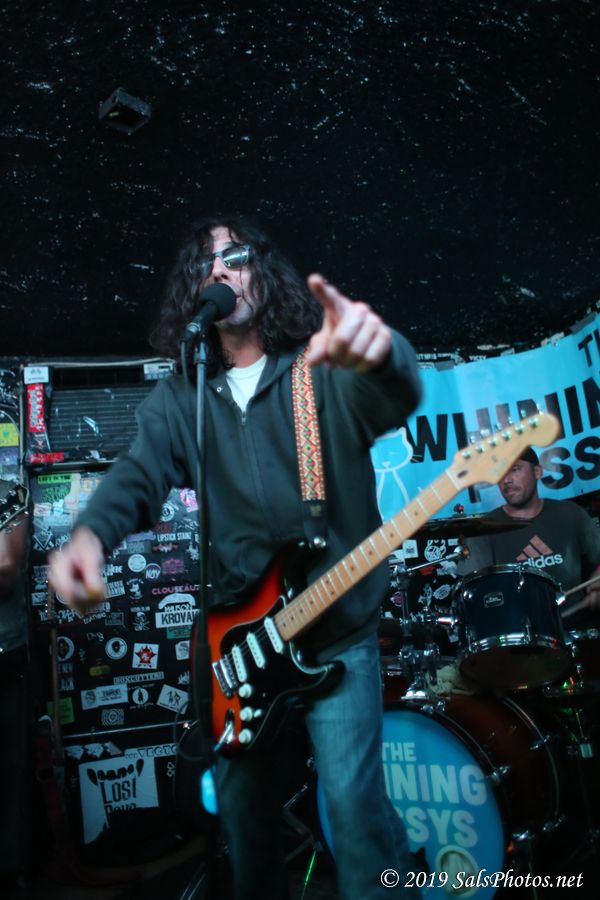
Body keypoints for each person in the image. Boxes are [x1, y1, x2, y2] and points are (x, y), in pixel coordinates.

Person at [49, 215, 423, 899]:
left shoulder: (319, 367)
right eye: (206, 264)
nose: (221, 270)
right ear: (193, 292)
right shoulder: (181, 397)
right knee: (246, 835)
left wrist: (384, 354)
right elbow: (139, 474)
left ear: (263, 272)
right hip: (241, 646)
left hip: (337, 637)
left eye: (237, 256)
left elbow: (394, 396)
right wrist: (90, 536)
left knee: (354, 814)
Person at [460, 447, 600, 625]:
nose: (506, 480)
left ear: (538, 472)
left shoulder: (571, 514)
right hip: (520, 632)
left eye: (515, 469)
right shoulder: (483, 530)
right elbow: (473, 592)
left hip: (578, 629)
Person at [0, 479, 31, 890]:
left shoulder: (9, 493)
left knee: (10, 769)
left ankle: (11, 871)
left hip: (4, 653)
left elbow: (6, 569)